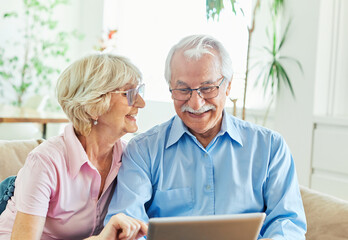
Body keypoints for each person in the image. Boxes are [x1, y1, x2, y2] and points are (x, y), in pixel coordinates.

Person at [105, 35, 307, 239]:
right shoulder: (142, 150)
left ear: (228, 85)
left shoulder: (270, 147)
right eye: (183, 90)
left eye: (208, 88)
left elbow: (287, 223)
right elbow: (126, 222)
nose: (195, 103)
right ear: (170, 89)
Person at [0, 53, 148, 240]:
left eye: (139, 92)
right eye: (129, 94)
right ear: (94, 105)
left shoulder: (130, 157)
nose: (141, 103)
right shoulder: (45, 161)